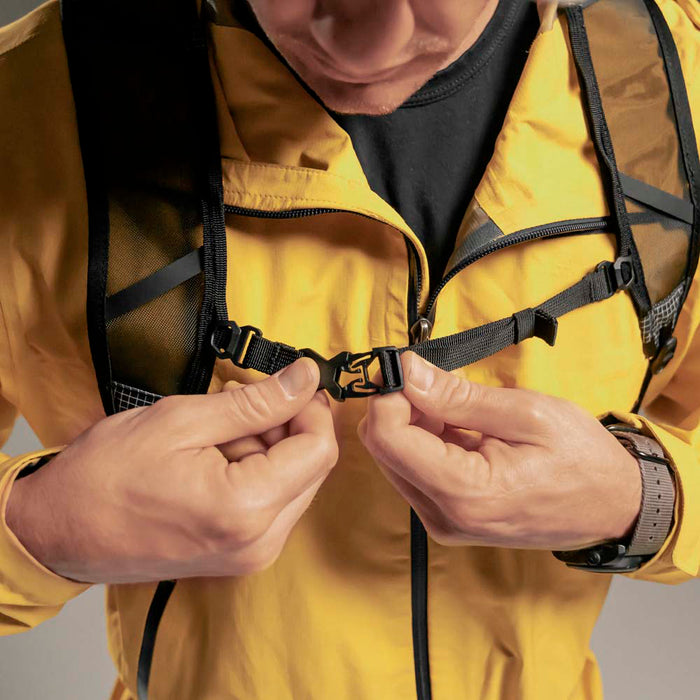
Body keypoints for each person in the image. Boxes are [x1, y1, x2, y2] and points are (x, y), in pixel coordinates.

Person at [0, 0, 698, 698]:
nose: (370, 46)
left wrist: (642, 497)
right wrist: (43, 527)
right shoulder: (25, 106)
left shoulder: (677, 86)